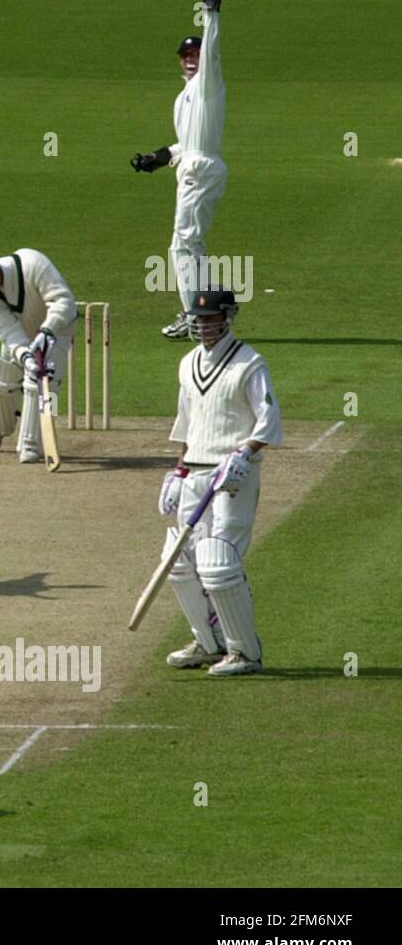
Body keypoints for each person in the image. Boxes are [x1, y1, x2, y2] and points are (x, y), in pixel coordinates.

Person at [159, 289, 281, 676]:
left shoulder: (249, 362)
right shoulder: (188, 362)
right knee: (180, 560)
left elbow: (269, 420)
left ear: (228, 318)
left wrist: (244, 453)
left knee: (218, 562)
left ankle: (245, 652)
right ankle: (208, 643)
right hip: (195, 471)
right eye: (199, 320)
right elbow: (186, 423)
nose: (204, 326)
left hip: (232, 475)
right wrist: (178, 472)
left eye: (212, 319)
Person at [131, 0, 231, 340]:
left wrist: (211, 9)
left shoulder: (208, 84)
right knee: (189, 246)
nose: (191, 58)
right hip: (194, 164)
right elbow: (185, 143)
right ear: (178, 60)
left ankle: (196, 317)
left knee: (183, 247)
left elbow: (214, 49)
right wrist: (158, 157)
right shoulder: (185, 96)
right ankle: (205, 312)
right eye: (186, 54)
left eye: (196, 53)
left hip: (200, 170)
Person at [0, 250, 77, 465]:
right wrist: (25, 357)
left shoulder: (34, 264)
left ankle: (31, 443)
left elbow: (65, 302)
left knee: (40, 381)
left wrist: (48, 331)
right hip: (23, 332)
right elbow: (7, 331)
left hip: (57, 329)